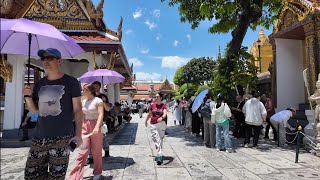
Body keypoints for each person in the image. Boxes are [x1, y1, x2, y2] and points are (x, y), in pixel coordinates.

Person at [23, 48, 83, 180]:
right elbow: (35, 111)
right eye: (43, 58)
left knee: (56, 177)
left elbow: (78, 110)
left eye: (49, 58)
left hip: (62, 139)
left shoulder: (71, 82)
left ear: (59, 61)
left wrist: (78, 135)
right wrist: (27, 97)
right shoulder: (39, 84)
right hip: (40, 137)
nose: (45, 61)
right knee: (31, 175)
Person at [69, 84, 104, 180]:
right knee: (82, 151)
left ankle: (97, 172)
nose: (82, 91)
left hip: (95, 125)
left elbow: (101, 114)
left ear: (89, 91)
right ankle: (76, 175)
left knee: (96, 151)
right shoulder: (83, 101)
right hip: (85, 126)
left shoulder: (98, 101)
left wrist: (97, 127)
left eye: (84, 90)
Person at [145, 93, 167, 165]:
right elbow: (150, 114)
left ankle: (159, 154)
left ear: (161, 98)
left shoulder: (163, 106)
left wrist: (162, 117)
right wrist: (146, 120)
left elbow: (165, 113)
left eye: (157, 97)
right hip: (153, 123)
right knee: (155, 138)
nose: (156, 98)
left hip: (161, 124)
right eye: (155, 97)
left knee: (160, 139)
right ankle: (160, 154)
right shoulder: (152, 105)